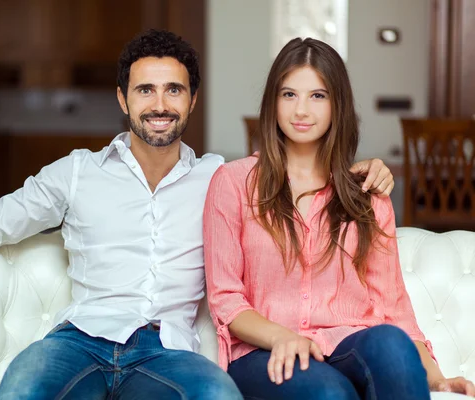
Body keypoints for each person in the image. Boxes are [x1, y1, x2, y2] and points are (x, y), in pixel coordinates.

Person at [0, 31, 393, 399]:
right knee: (21, 388)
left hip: (168, 349)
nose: (159, 104)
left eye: (174, 90)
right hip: (79, 339)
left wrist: (358, 170)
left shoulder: (224, 179)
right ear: (123, 99)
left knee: (219, 398)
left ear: (192, 101)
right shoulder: (78, 171)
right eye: (145, 90)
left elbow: (303, 172)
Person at [203, 37, 475, 400]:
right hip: (266, 353)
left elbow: (393, 307)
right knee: (330, 393)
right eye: (289, 95)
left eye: (318, 96)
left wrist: (437, 379)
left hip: (347, 344)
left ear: (337, 105)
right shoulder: (233, 183)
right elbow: (226, 300)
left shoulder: (366, 196)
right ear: (273, 102)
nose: (301, 110)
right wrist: (283, 336)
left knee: (391, 344)